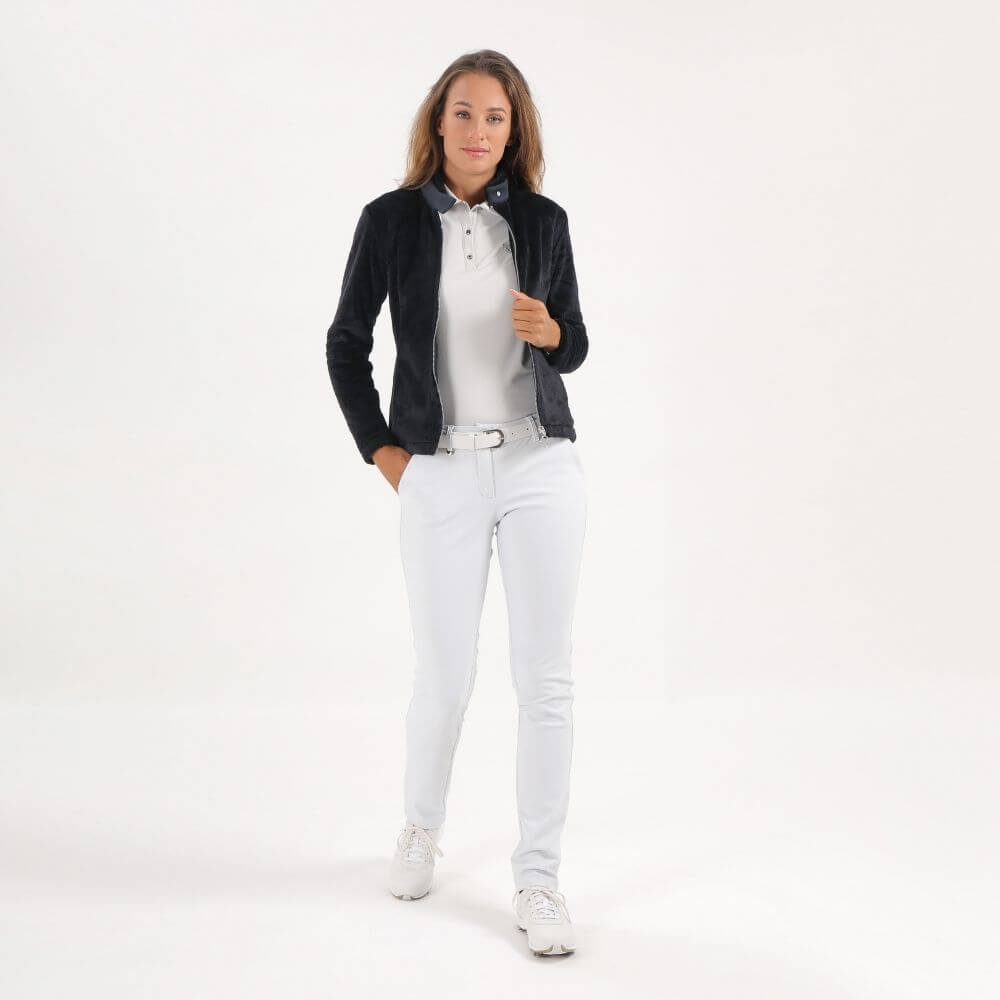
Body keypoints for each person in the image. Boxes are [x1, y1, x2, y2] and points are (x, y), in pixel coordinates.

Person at [325, 49, 588, 957]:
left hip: (539, 464)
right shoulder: (391, 220)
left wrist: (551, 332)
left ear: (515, 133)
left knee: (545, 679)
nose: (479, 131)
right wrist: (384, 450)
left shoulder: (543, 222)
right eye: (465, 113)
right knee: (444, 673)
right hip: (438, 470)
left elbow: (574, 344)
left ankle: (539, 877)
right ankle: (420, 828)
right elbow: (346, 342)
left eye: (496, 118)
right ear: (438, 120)